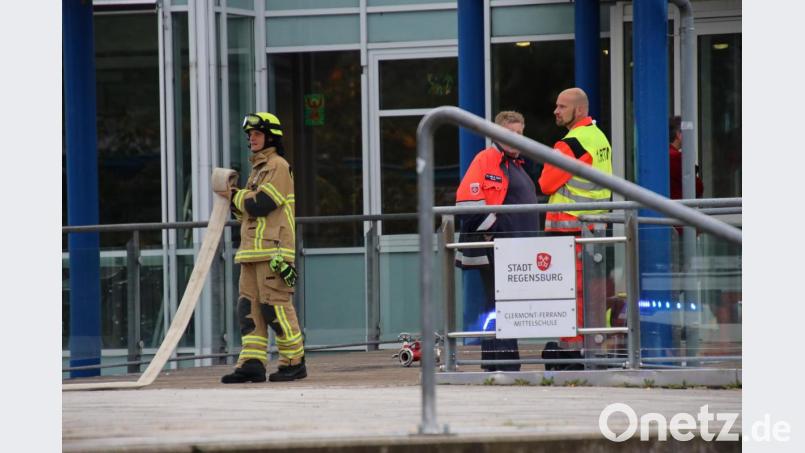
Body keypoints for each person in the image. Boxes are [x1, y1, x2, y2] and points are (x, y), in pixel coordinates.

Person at [218, 112, 307, 383]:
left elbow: (262, 203)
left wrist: (234, 196)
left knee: (275, 307)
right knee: (249, 309)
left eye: (256, 134)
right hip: (251, 253)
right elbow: (246, 211)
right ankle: (252, 363)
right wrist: (236, 199)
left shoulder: (279, 166)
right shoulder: (257, 170)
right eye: (249, 135)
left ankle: (294, 361)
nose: (251, 139)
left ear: (270, 136)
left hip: (274, 252)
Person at [455, 111, 541, 372]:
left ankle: (501, 361)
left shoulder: (518, 165)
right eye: (509, 133)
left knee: (505, 304)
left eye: (520, 133)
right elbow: (467, 204)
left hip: (516, 249)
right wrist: (494, 231)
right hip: (498, 248)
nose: (516, 138)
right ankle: (500, 363)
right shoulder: (486, 160)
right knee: (498, 303)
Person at [538, 88, 612, 369]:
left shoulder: (570, 143)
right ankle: (593, 347)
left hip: (568, 231)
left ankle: (572, 352)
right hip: (594, 228)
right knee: (592, 292)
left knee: (571, 294)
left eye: (562, 106)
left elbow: (545, 184)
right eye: (556, 106)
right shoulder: (599, 137)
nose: (556, 111)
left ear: (578, 110)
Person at [669, 115, 703, 200]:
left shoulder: (662, 155)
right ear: (679, 134)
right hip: (679, 209)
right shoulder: (677, 157)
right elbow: (698, 188)